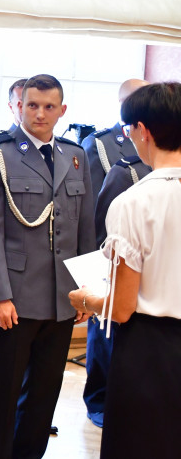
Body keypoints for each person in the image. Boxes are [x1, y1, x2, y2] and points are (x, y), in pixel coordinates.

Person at [0, 74, 96, 459]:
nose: (40, 114)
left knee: (43, 398)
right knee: (2, 397)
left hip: (61, 300)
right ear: (19, 105)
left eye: (48, 107)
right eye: (32, 105)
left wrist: (86, 293)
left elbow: (85, 230)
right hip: (14, 300)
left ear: (62, 111)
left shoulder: (75, 156)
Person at [68, 82, 181, 458]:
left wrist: (85, 298)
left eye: (128, 129)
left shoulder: (134, 201)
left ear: (142, 131)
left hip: (152, 350)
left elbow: (121, 307)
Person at [78, 78, 149, 428]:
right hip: (112, 247)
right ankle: (100, 400)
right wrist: (93, 281)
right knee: (105, 332)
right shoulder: (104, 147)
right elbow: (95, 210)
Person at [81, 79, 148, 201]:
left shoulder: (157, 139)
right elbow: (93, 203)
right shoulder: (100, 143)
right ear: (123, 102)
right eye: (143, 99)